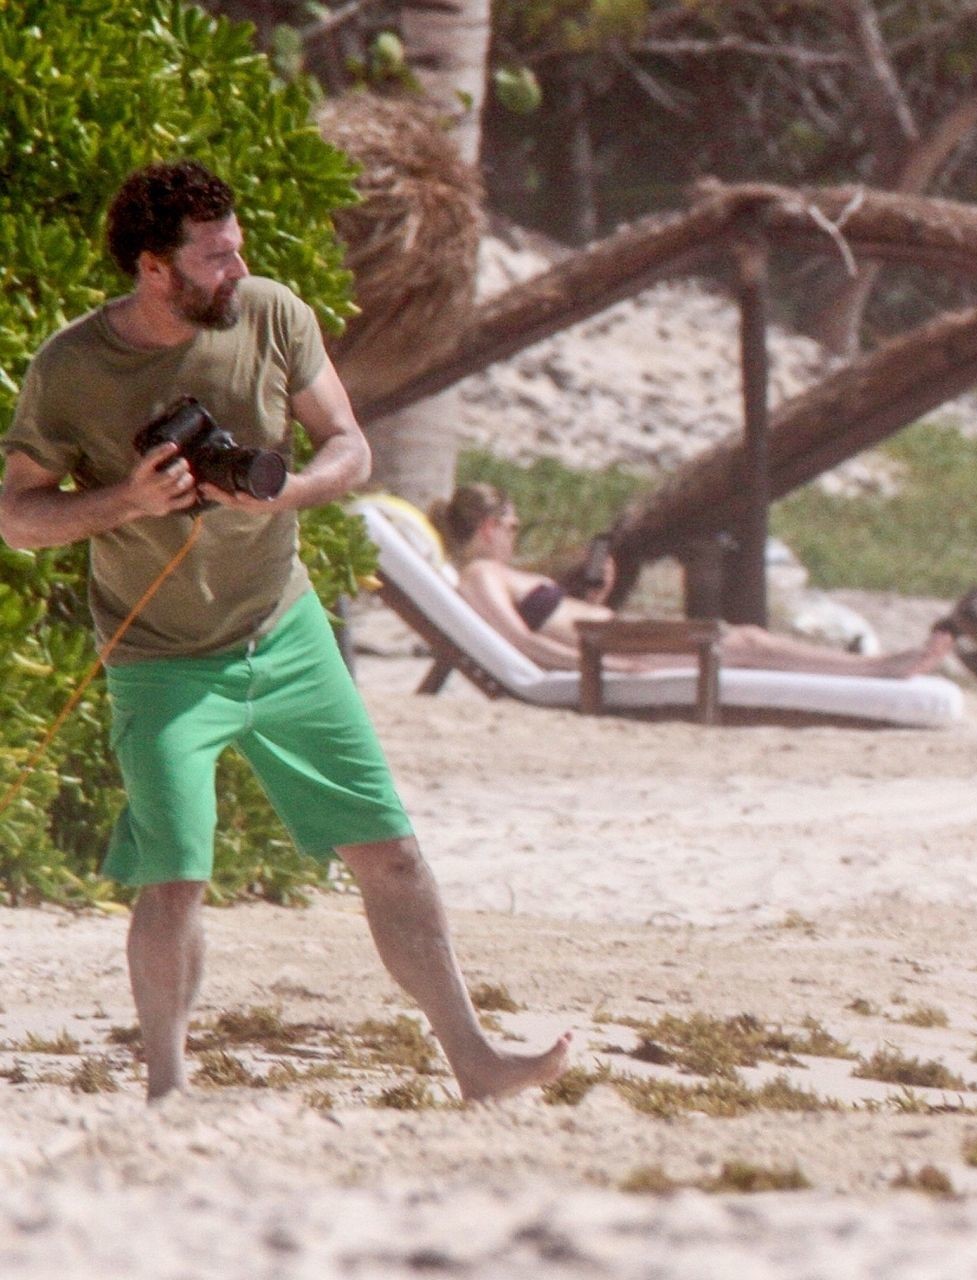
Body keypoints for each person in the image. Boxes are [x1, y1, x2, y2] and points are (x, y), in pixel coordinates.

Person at [0, 162, 569, 1103]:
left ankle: (475, 1059)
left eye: (237, 248)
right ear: (153, 268)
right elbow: (18, 517)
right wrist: (127, 500)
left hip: (286, 629)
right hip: (161, 659)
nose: (239, 268)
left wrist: (289, 492)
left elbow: (351, 446)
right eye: (216, 257)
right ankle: (166, 1093)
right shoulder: (72, 366)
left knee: (392, 854)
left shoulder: (270, 313)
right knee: (175, 876)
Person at [429, 483, 954, 679]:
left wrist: (595, 599)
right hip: (610, 649)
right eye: (513, 528)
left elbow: (543, 623)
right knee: (747, 643)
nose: (515, 537)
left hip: (613, 636)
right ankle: (878, 667)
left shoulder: (495, 574)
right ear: (490, 527)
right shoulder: (480, 574)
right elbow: (520, 643)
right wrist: (604, 666)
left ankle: (876, 667)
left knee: (744, 642)